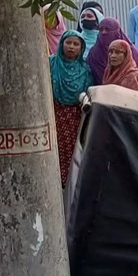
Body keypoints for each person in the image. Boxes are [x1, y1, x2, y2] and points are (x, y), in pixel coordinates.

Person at [49, 30, 92, 185]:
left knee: (74, 148)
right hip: (55, 111)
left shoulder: (84, 69)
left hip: (75, 115)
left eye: (76, 44)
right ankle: (56, 181)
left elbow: (88, 92)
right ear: (62, 44)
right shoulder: (51, 63)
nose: (71, 47)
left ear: (81, 48)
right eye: (68, 43)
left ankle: (72, 181)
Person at [86, 18, 138, 94]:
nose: (104, 33)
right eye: (101, 29)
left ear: (117, 32)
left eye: (107, 29)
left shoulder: (129, 51)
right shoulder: (94, 54)